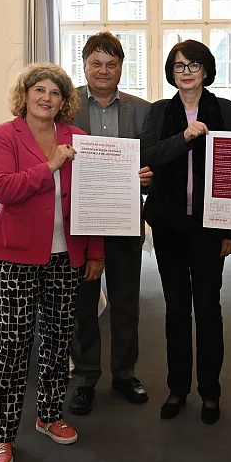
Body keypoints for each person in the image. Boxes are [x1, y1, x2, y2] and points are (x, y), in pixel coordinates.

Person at [0, 62, 105, 462]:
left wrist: (95, 252)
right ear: (26, 94)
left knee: (58, 343)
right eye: (39, 89)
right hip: (13, 257)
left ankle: (49, 414)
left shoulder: (80, 138)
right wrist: (51, 165)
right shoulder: (3, 135)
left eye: (55, 92)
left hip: (66, 256)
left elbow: (94, 201)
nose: (47, 98)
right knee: (13, 346)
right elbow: (2, 188)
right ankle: (2, 435)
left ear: (64, 100)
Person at [140, 40, 231, 425]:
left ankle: (210, 391)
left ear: (206, 71)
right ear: (171, 72)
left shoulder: (226, 110)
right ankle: (178, 388)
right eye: (179, 65)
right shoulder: (159, 112)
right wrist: (182, 138)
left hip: (210, 228)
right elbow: (147, 157)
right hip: (168, 224)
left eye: (194, 65)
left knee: (208, 308)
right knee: (176, 310)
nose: (186, 71)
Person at [68, 32, 153, 415]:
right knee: (82, 305)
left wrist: (150, 176)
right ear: (84, 65)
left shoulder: (144, 110)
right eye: (96, 63)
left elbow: (154, 159)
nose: (103, 71)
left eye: (112, 63)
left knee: (125, 302)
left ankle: (124, 374)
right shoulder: (63, 108)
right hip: (81, 224)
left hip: (124, 220)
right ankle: (86, 377)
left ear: (122, 67)